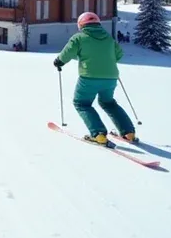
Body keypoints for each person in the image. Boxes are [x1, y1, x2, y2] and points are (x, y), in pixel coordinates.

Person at [54, 12, 135, 144]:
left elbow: (68, 53)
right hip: (110, 78)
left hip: (88, 78)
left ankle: (98, 134)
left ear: (80, 25)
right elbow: (119, 55)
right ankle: (129, 132)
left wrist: (59, 61)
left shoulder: (79, 37)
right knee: (108, 103)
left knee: (82, 103)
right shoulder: (109, 38)